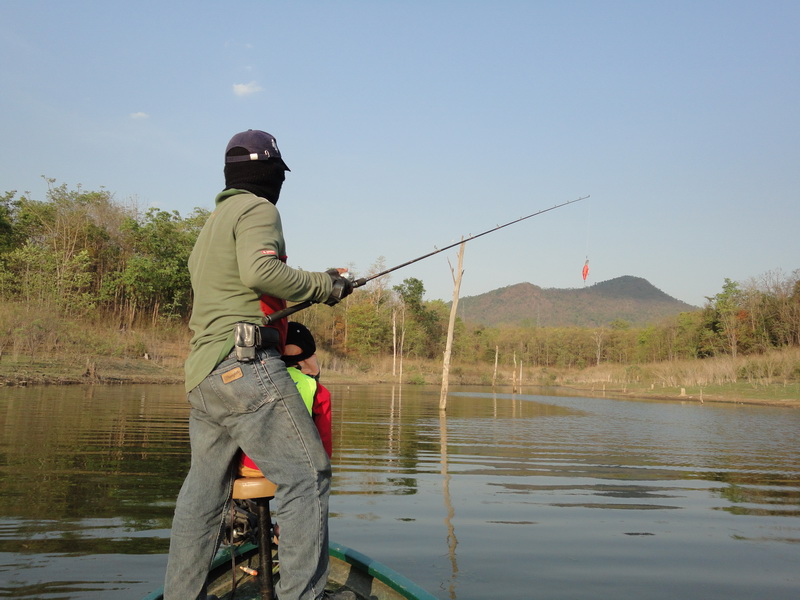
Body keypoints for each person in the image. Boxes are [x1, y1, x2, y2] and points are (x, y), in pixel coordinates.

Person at [164, 129, 354, 600]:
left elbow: (238, 291)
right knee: (307, 476)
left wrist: (317, 283)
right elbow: (260, 272)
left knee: (202, 497)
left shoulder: (211, 226)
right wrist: (326, 286)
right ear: (269, 173)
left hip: (205, 376)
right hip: (244, 368)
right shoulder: (258, 208)